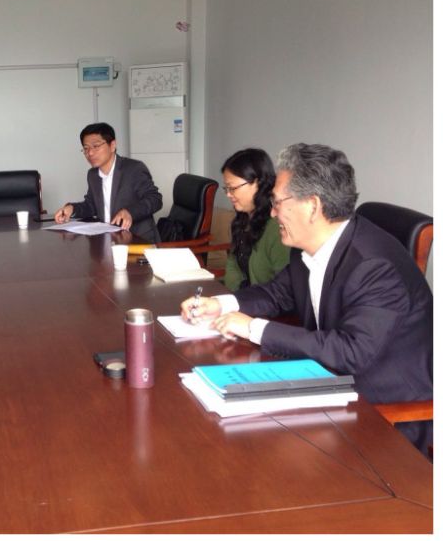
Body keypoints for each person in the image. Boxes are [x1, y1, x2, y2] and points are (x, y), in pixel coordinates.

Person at [181, 143, 433, 451]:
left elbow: (351, 352)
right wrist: (220, 304)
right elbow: (277, 292)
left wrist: (253, 328)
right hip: (331, 383)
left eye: (277, 203)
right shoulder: (309, 246)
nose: (272, 213)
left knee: (254, 449)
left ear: (312, 206)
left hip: (385, 414)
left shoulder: (374, 265)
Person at [54, 122, 163, 243]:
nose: (90, 153)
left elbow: (155, 199)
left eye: (96, 146)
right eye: (86, 148)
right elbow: (91, 206)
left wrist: (130, 212)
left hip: (137, 240)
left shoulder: (133, 168)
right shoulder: (93, 174)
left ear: (112, 145)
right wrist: (72, 209)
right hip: (107, 239)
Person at [220, 148, 290, 291]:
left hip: (265, 302)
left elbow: (284, 288)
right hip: (242, 298)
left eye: (232, 188)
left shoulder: (278, 227)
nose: (228, 194)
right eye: (226, 188)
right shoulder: (243, 218)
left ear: (258, 183)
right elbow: (232, 265)